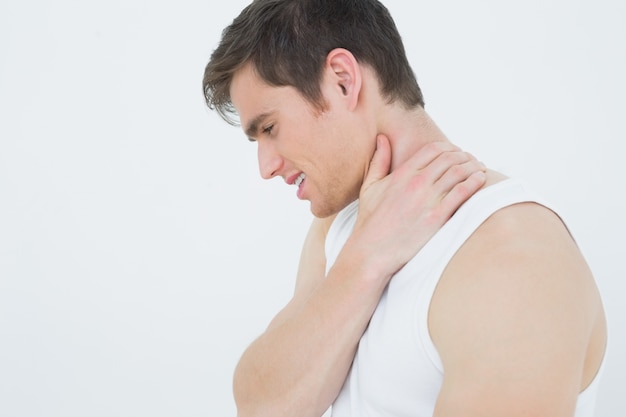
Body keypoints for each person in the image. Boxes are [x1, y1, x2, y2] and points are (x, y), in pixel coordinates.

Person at [203, 0, 607, 416]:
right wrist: (366, 258)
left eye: (270, 128)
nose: (266, 167)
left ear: (342, 80)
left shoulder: (513, 257)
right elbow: (261, 405)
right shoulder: (341, 228)